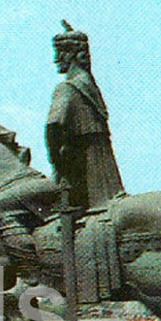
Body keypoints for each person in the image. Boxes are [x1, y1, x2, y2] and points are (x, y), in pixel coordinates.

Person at [46, 21, 125, 211]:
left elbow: (53, 126)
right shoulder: (90, 86)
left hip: (81, 169)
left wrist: (56, 161)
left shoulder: (67, 88)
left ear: (72, 54)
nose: (56, 59)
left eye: (60, 53)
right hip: (104, 166)